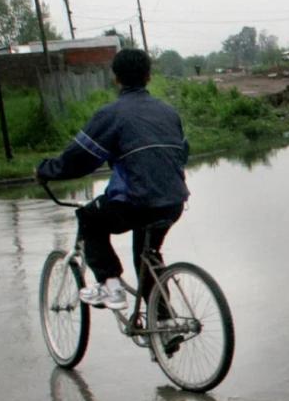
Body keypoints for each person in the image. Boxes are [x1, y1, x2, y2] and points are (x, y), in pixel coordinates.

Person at [36, 48, 190, 311]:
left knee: (89, 219)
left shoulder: (111, 114)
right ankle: (165, 321)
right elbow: (182, 153)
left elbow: (79, 158)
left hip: (135, 202)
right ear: (149, 77)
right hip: (174, 201)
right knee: (147, 258)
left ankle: (111, 286)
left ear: (115, 78)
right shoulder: (168, 112)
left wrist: (46, 170)